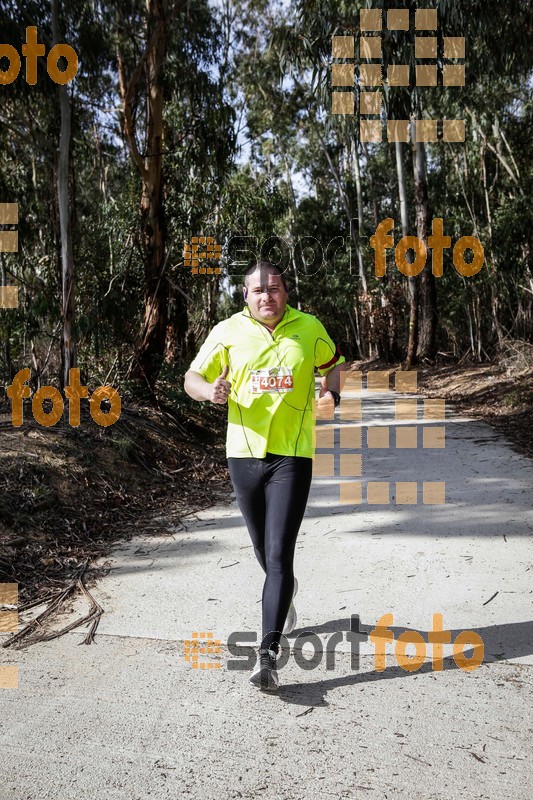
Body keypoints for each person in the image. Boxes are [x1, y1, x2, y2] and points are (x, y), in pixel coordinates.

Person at [184, 260, 346, 691]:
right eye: (257, 291)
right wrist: (208, 393)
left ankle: (267, 656)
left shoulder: (308, 328)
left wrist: (332, 393)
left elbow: (337, 364)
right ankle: (286, 593)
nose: (266, 297)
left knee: (278, 554)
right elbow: (191, 377)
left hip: (292, 456)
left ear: (285, 291)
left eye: (273, 289)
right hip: (243, 455)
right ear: (245, 296)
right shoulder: (227, 331)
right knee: (261, 548)